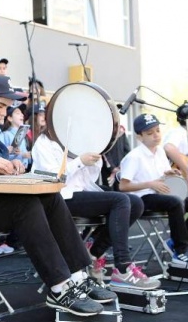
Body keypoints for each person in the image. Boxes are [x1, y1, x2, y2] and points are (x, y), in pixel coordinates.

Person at [0, 74, 116, 316]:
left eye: (7, 108)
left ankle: (78, 276)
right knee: (25, 206)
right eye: (0, 106)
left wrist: (10, 166)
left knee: (50, 197)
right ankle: (59, 287)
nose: (3, 114)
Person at [32, 120, 160, 290]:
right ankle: (123, 267)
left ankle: (93, 253)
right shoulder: (44, 143)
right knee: (120, 200)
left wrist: (94, 160)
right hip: (58, 197)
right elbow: (51, 178)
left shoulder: (79, 141)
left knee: (135, 203)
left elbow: (89, 179)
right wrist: (79, 161)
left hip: (79, 191)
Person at [119, 113, 188, 268]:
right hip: (142, 198)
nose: (155, 135)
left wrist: (169, 173)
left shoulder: (160, 152)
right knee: (174, 202)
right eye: (150, 133)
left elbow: (162, 176)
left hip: (159, 194)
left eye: (157, 131)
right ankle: (181, 250)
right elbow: (123, 186)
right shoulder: (134, 157)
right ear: (139, 137)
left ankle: (177, 242)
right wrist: (151, 184)